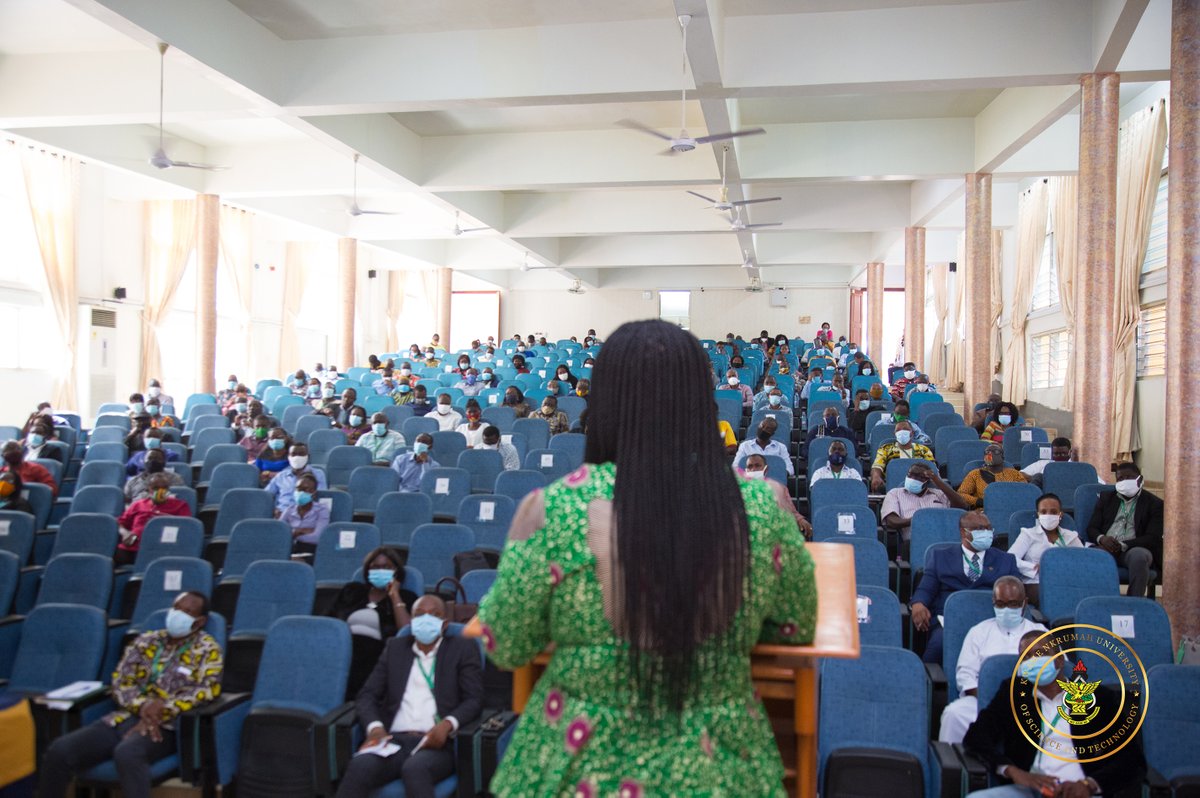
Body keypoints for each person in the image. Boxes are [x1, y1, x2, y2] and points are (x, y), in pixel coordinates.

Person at [475, 319, 816, 796]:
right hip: (721, 770)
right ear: (702, 402)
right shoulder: (761, 505)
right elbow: (796, 627)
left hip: (573, 769)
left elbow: (505, 644)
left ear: (604, 402)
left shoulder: (551, 508)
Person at [39, 592, 222, 798]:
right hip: (123, 717)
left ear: (200, 621)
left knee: (127, 753)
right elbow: (120, 681)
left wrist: (165, 707)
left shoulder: (208, 649)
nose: (177, 614)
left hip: (167, 726)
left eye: (187, 611)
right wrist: (144, 706)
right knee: (60, 751)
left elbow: (207, 690)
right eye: (176, 608)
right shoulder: (146, 642)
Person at [962, 629, 1146, 797]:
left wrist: (1088, 784)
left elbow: (1131, 759)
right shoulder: (1013, 694)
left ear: (1059, 661)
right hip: (1029, 790)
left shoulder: (1098, 698)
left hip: (1080, 792)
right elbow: (976, 736)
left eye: (1041, 654)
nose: (1033, 661)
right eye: (1026, 657)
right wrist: (1012, 771)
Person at [337, 595, 483, 798]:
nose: (426, 619)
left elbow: (474, 699)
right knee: (360, 765)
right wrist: (375, 727)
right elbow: (367, 695)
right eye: (419, 615)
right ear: (412, 621)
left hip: (436, 743)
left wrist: (448, 724)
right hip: (393, 741)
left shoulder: (463, 648)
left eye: (434, 615)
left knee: (415, 769)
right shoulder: (395, 648)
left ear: (444, 624)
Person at [937, 577, 1045, 743]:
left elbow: (1059, 670)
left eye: (1013, 604)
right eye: (1001, 604)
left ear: (1024, 603)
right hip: (983, 701)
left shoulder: (1040, 633)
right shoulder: (979, 632)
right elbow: (965, 675)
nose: (1007, 609)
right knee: (954, 714)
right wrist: (990, 701)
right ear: (993, 602)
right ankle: (954, 766)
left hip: (1030, 703)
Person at [910, 511, 1022, 664]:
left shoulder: (1006, 560)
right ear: (964, 532)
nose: (987, 533)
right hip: (951, 620)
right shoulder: (940, 557)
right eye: (980, 529)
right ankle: (931, 684)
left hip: (993, 618)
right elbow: (926, 589)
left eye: (989, 528)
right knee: (937, 646)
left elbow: (1018, 592)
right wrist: (918, 604)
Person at [326, 547, 416, 698]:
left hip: (377, 658)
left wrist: (394, 596)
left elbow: (406, 632)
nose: (380, 571)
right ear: (368, 571)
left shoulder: (406, 597)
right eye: (375, 567)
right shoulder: (352, 590)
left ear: (396, 571)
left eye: (387, 567)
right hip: (341, 651)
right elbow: (329, 623)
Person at [1085, 462, 1163, 597]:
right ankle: (1100, 599)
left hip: (1133, 548)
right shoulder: (1106, 498)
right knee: (1092, 556)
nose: (1125, 481)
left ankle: (1133, 602)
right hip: (1106, 547)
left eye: (1129, 478)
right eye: (1121, 479)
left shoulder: (1154, 504)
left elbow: (1153, 537)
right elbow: (1092, 528)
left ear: (1140, 479)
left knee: (1139, 557)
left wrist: (1122, 545)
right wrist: (1102, 539)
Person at [1007, 493, 1083, 605]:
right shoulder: (1028, 534)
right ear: (1038, 515)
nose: (1048, 515)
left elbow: (1085, 561)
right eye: (1043, 512)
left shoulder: (1071, 536)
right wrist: (1033, 567)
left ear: (1060, 514)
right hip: (1036, 583)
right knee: (1051, 596)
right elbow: (1009, 559)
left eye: (1053, 512)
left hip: (1065, 582)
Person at [115, 474, 192, 566]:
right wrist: (125, 533)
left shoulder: (180, 506)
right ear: (148, 489)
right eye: (155, 488)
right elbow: (120, 523)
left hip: (163, 548)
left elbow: (187, 529)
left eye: (164, 487)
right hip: (134, 547)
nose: (160, 491)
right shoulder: (138, 505)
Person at [881, 462, 967, 543]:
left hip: (943, 539)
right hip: (914, 542)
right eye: (910, 475)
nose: (913, 479)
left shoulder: (939, 494)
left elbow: (962, 506)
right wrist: (919, 520)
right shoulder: (895, 493)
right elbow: (891, 521)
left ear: (928, 481)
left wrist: (937, 481)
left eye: (919, 477)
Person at [956, 443, 1028, 510]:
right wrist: (978, 501)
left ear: (1002, 457)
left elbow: (1025, 491)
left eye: (995, 451)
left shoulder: (1014, 473)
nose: (990, 454)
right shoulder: (975, 474)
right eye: (987, 452)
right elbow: (961, 494)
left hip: (1011, 509)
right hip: (985, 510)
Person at [869, 420, 934, 493]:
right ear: (895, 434)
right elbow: (877, 466)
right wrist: (876, 476)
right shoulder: (885, 448)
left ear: (912, 433)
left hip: (920, 488)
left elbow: (932, 469)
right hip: (893, 488)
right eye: (898, 430)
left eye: (905, 429)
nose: (902, 432)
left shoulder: (924, 449)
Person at [266, 443, 327, 513]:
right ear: (288, 457)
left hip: (307, 516)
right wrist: (275, 510)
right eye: (293, 454)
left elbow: (321, 498)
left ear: (308, 457)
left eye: (301, 454)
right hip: (282, 514)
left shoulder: (318, 474)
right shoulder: (281, 476)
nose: (297, 457)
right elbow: (266, 495)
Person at [1018, 437, 1102, 488]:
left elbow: (1101, 484)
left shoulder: (1079, 467)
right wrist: (1042, 479)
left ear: (1069, 452)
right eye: (1056, 453)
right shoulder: (1044, 464)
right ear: (1052, 453)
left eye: (1063, 453)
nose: (1060, 456)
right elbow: (1020, 474)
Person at [281, 473, 331, 555]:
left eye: (305, 489)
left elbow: (317, 538)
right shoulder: (289, 510)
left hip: (310, 551)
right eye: (298, 489)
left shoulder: (322, 510)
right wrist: (301, 531)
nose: (300, 493)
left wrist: (292, 534)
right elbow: (279, 534)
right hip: (288, 549)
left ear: (313, 492)